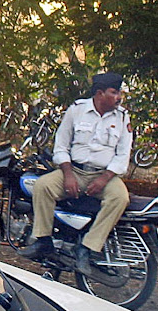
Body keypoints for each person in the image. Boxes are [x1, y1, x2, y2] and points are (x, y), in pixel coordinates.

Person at [18, 72, 133, 275]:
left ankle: (87, 248)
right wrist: (68, 174)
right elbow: (61, 146)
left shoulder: (122, 117)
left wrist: (105, 177)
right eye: (114, 92)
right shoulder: (76, 111)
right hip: (75, 170)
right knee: (43, 186)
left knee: (120, 198)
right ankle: (43, 241)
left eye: (119, 92)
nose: (119, 97)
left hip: (105, 176)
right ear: (100, 93)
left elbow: (123, 156)